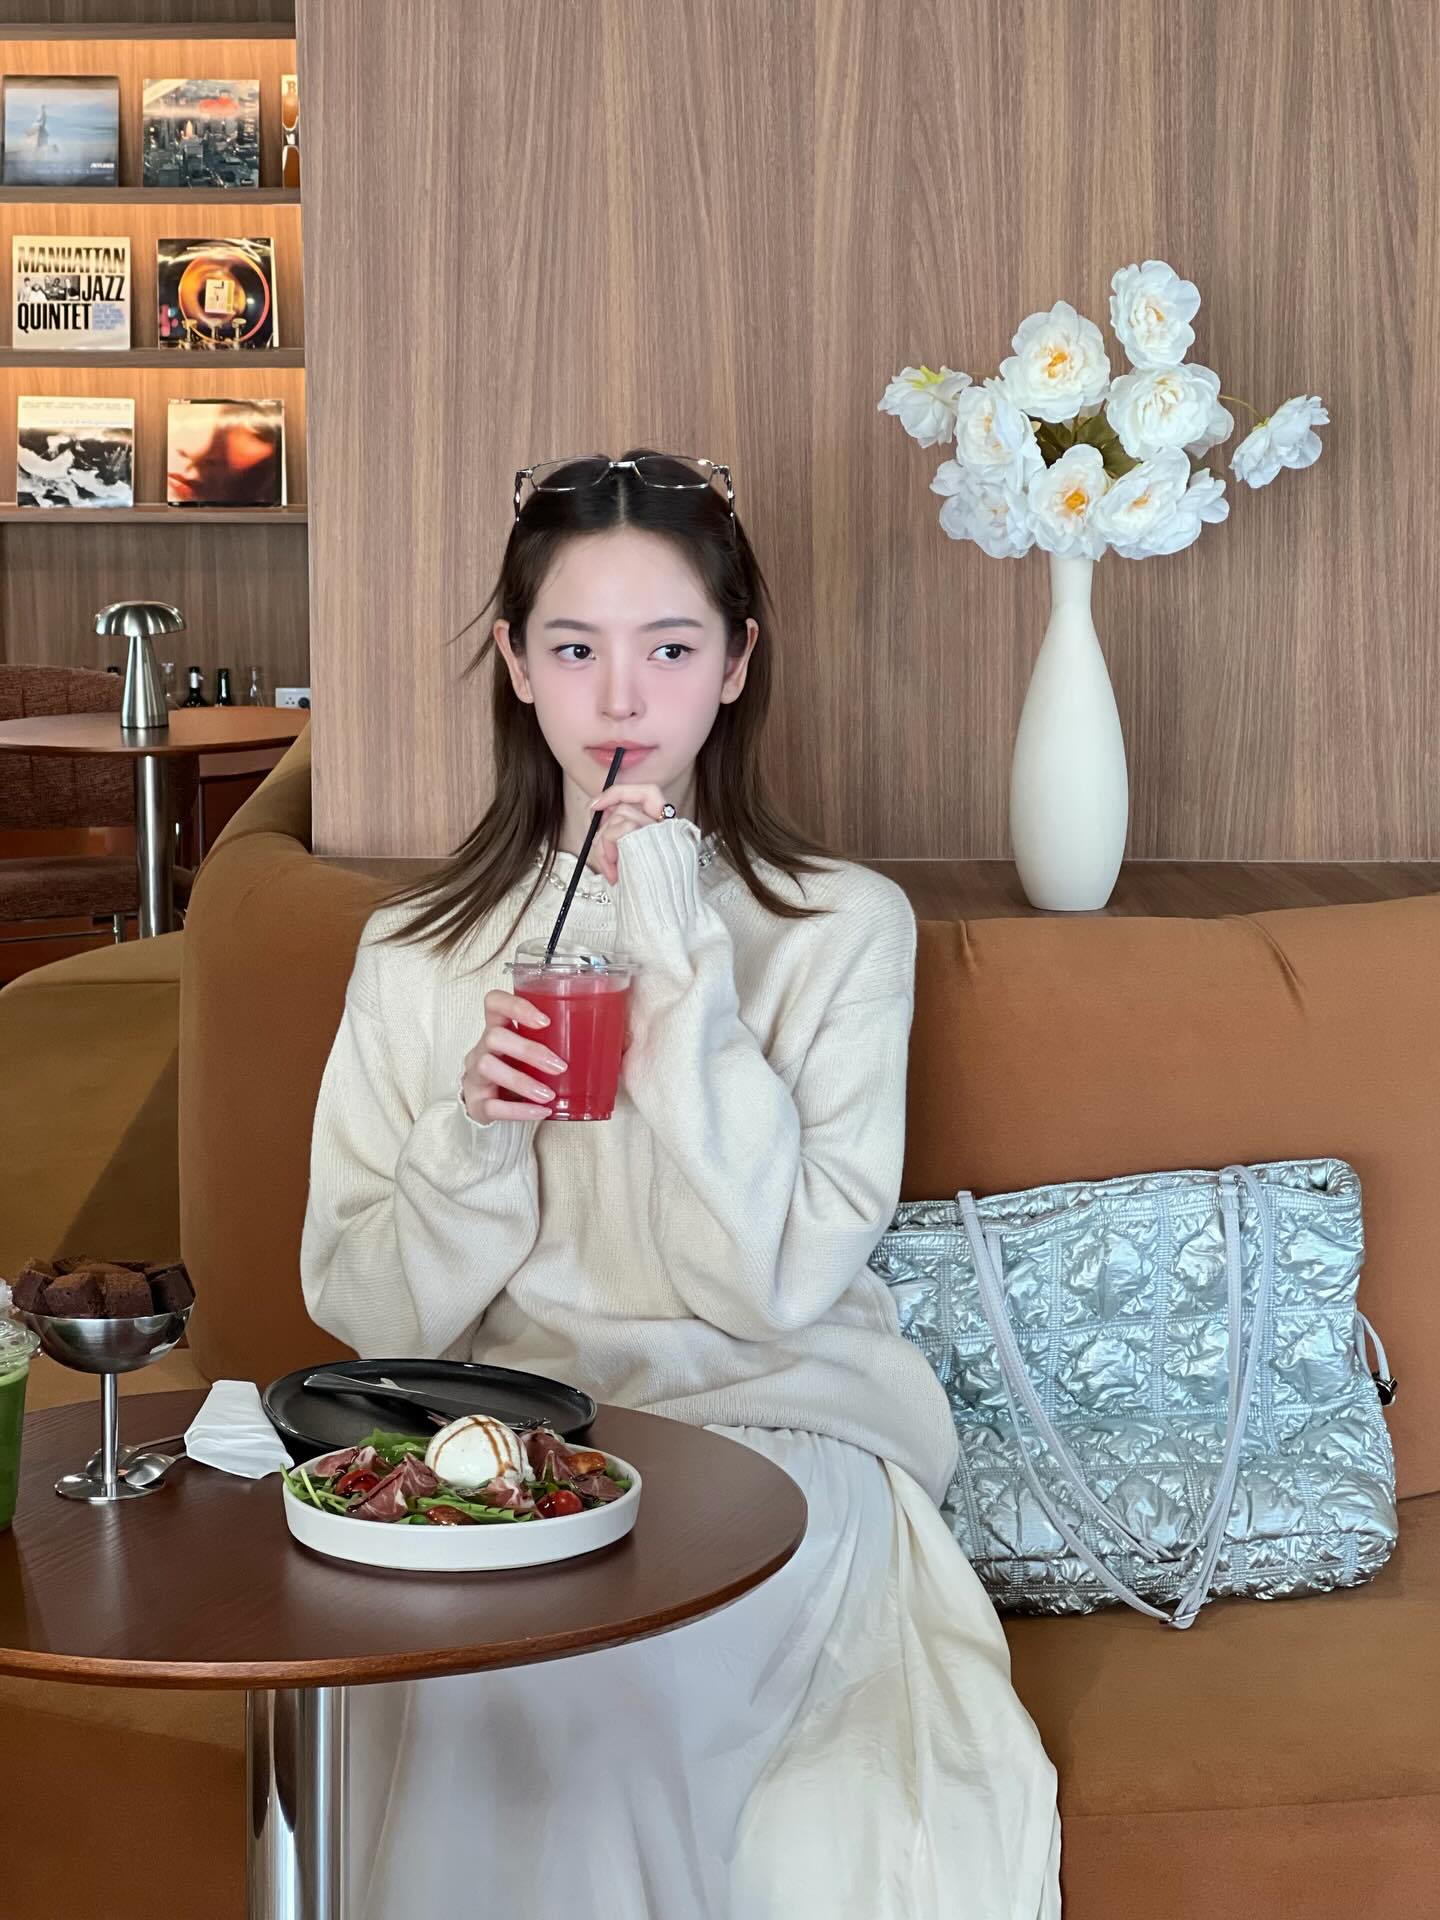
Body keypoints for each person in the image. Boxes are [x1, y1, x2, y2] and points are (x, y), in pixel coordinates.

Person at [300, 449, 1061, 1919]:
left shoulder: (841, 930)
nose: (621, 701)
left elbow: (774, 1284)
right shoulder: (413, 953)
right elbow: (370, 1316)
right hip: (527, 1458)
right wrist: (475, 1134)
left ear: (736, 665)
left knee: (615, 1721)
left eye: (669, 648)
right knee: (506, 1734)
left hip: (783, 1442)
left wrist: (676, 956)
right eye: (574, 649)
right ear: (515, 665)